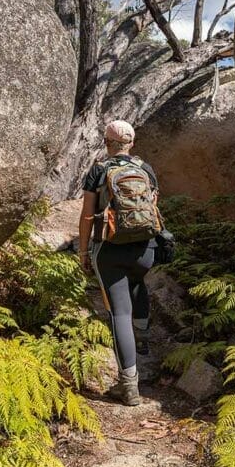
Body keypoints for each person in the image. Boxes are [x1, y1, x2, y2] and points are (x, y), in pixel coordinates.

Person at [78, 119, 159, 406]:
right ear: (132, 143)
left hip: (110, 249)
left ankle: (128, 386)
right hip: (145, 249)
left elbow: (88, 214)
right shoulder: (145, 169)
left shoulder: (100, 171)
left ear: (106, 143)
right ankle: (145, 344)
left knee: (118, 313)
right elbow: (153, 208)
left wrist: (84, 252)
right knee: (137, 284)